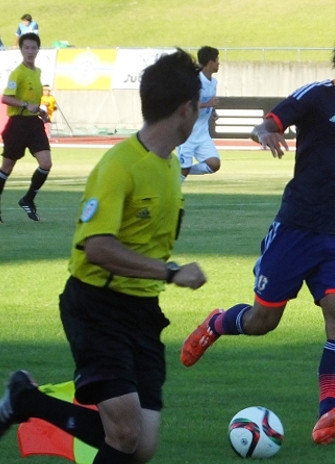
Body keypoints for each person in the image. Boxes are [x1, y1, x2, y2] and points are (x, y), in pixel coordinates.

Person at [181, 19, 335, 445]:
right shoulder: (316, 98)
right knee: (264, 321)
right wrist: (266, 133)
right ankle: (217, 323)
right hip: (296, 229)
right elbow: (266, 123)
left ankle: (328, 414)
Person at [0, 49, 208, 464]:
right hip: (97, 305)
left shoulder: (169, 166)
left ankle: (26, 400)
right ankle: (25, 400)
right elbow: (97, 248)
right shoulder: (119, 166)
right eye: (199, 107)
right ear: (186, 109)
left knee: (140, 446)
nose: (200, 114)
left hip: (143, 311)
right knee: (125, 431)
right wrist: (169, 272)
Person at [0, 32, 51, 222]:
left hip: (33, 124)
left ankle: (28, 199)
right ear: (21, 50)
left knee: (46, 163)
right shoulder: (18, 73)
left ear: (38, 49)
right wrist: (24, 105)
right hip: (18, 125)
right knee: (7, 167)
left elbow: (31, 102)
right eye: (26, 47)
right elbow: (6, 98)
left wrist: (40, 112)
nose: (30, 51)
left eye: (33, 47)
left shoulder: (37, 72)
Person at [176, 46, 221, 181]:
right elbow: (185, 103)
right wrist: (207, 104)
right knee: (184, 168)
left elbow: (209, 100)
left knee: (214, 164)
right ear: (210, 62)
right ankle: (171, 196)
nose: (219, 63)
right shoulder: (194, 81)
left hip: (202, 133)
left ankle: (178, 170)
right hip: (187, 133)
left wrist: (212, 111)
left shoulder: (213, 82)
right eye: (217, 60)